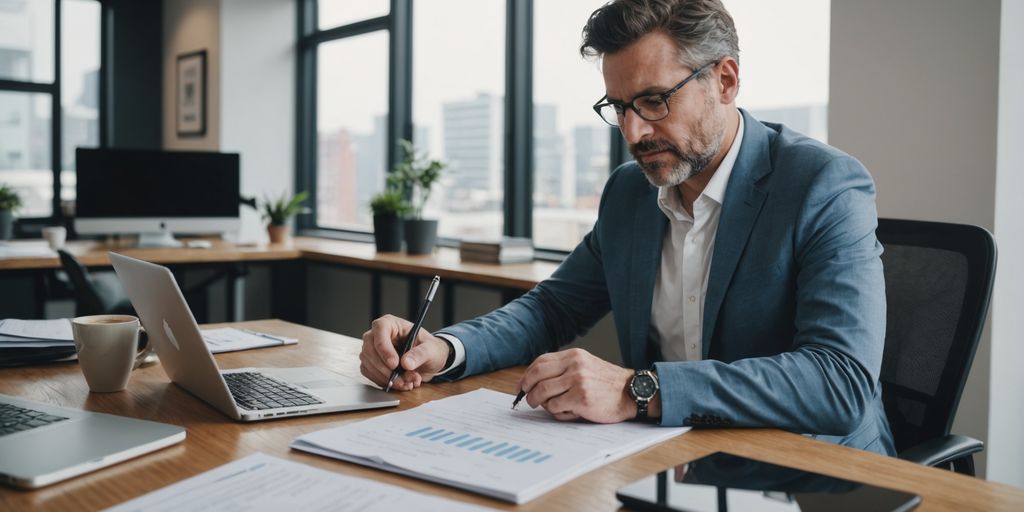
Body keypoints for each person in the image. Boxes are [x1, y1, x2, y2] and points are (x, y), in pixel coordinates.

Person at [359, 0, 894, 455]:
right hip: (669, 456)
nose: (634, 131)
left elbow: (839, 380)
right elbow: (554, 308)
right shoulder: (629, 192)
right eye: (618, 107)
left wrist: (639, 389)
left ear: (725, 80)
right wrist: (446, 349)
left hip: (810, 470)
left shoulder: (822, 183)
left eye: (654, 101)